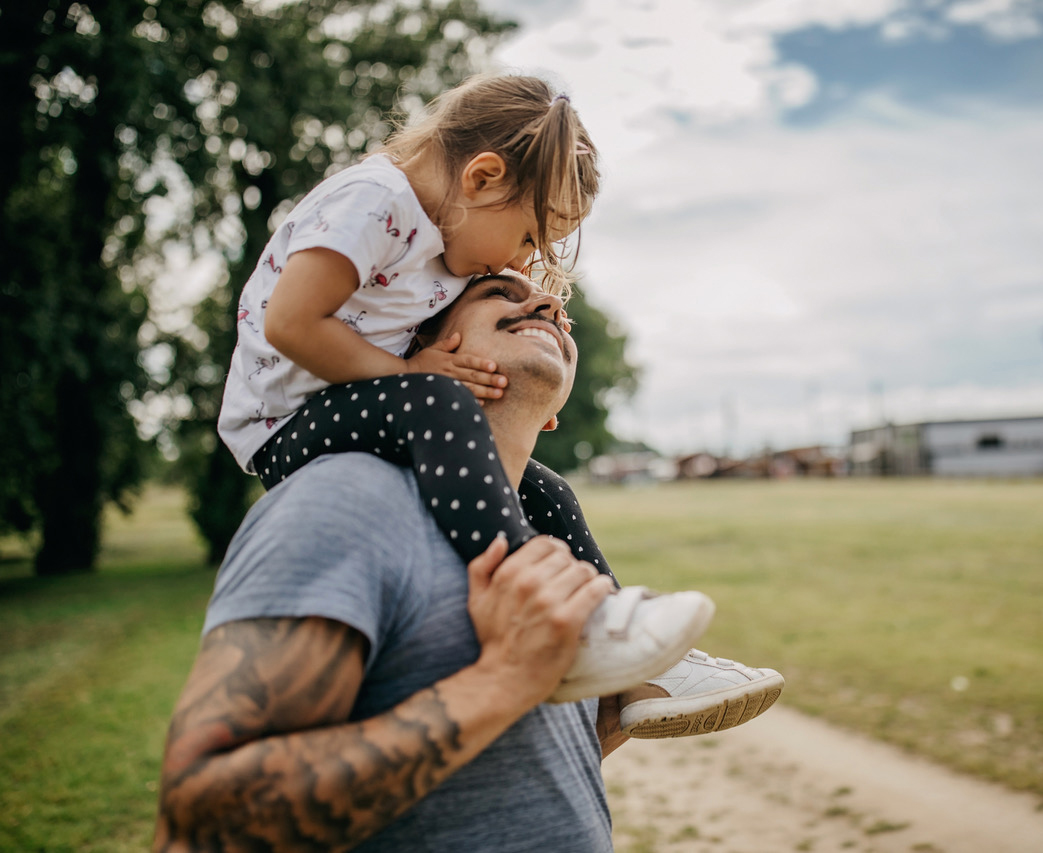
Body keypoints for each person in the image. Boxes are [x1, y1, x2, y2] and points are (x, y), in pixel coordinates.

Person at [154, 274, 780, 851]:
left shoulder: (544, 530)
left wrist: (599, 714)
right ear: (421, 345)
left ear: (556, 409)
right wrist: (503, 680)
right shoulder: (344, 502)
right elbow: (201, 827)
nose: (547, 305)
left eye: (557, 311)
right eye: (499, 294)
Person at [215, 73, 712, 701]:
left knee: (547, 489)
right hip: (286, 424)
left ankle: (620, 644)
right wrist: (409, 375)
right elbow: (290, 323)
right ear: (481, 178)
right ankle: (532, 598)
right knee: (437, 399)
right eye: (530, 237)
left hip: (362, 405)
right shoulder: (373, 201)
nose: (524, 263)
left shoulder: (443, 239)